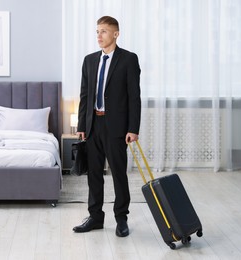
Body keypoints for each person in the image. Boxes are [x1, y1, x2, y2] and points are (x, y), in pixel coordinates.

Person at [73, 16, 141, 237]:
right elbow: (85, 95)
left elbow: (134, 97)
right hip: (93, 124)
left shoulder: (128, 60)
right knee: (93, 174)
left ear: (116, 34)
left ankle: (121, 218)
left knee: (118, 173)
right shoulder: (89, 60)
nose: (99, 36)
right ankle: (95, 217)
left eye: (103, 31)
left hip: (117, 127)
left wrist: (133, 128)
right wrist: (82, 124)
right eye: (97, 31)